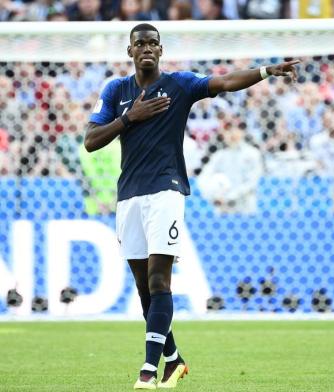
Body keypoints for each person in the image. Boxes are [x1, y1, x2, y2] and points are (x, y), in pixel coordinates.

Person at [84, 23, 299, 390]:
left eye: (153, 43)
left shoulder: (180, 85)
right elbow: (90, 141)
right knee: (143, 291)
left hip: (165, 192)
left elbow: (224, 82)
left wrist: (266, 72)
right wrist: (128, 118)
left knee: (158, 280)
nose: (147, 48)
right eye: (140, 44)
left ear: (161, 50)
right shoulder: (116, 91)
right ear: (130, 52)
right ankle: (173, 360)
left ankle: (148, 372)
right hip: (129, 196)